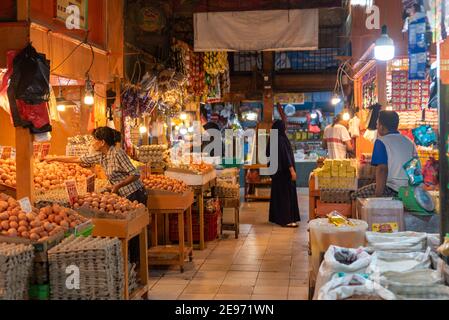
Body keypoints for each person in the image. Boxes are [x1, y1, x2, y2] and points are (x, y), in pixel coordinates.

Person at [46, 126, 147, 204]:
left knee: (133, 228)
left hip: (134, 193)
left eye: (94, 139)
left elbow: (135, 174)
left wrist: (117, 186)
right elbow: (77, 158)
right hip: (124, 193)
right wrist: (53, 158)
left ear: (102, 142)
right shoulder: (100, 155)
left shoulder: (117, 153)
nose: (92, 142)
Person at [352, 111, 417, 199]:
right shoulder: (409, 141)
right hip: (410, 190)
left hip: (391, 189)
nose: (376, 127)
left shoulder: (381, 141)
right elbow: (415, 167)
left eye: (377, 124)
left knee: (354, 196)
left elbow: (382, 169)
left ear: (382, 127)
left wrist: (378, 195)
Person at [267, 104, 300, 228]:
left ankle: (278, 218)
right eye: (284, 127)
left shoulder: (273, 138)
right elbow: (285, 157)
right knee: (286, 196)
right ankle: (286, 220)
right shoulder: (281, 139)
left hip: (277, 173)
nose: (285, 129)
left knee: (278, 196)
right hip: (284, 173)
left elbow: (268, 155)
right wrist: (292, 171)